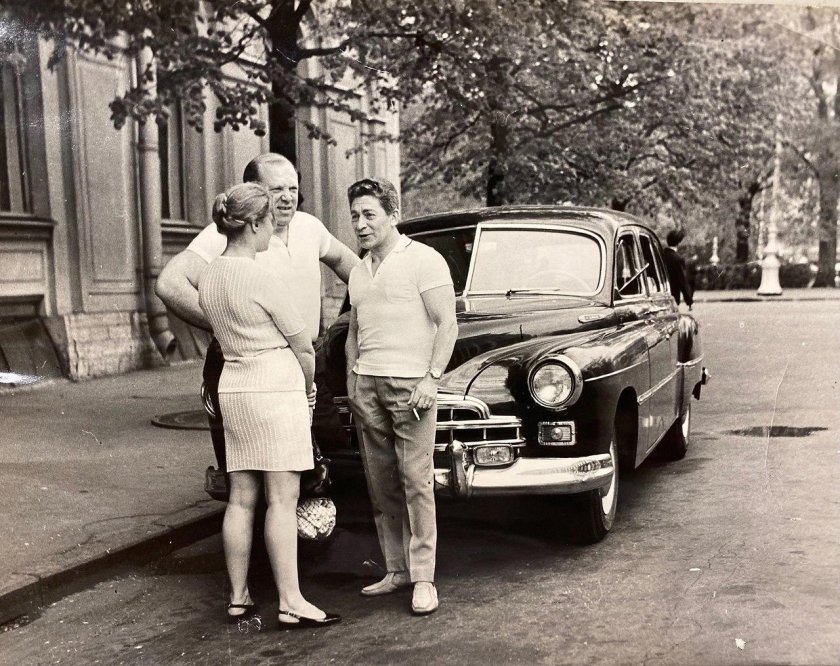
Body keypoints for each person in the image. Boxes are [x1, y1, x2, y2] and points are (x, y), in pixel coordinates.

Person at [156, 153, 359, 472]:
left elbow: (350, 265)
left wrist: (382, 300)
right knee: (250, 467)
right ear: (253, 191)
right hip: (248, 363)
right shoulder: (229, 233)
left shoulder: (309, 226)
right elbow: (170, 283)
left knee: (331, 460)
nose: (288, 197)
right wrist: (225, 323)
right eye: (277, 189)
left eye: (293, 189)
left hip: (306, 359)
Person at [197, 182, 339, 628]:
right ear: (255, 225)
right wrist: (308, 390)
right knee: (282, 499)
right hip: (275, 387)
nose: (273, 232)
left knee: (240, 499)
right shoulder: (261, 277)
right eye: (270, 224)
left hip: (234, 386)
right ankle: (291, 600)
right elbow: (304, 345)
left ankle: (238, 598)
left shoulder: (210, 275)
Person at [344, 178, 458, 616]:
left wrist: (431, 379)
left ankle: (424, 578)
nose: (360, 224)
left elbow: (447, 324)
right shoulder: (359, 270)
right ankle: (396, 569)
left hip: (411, 386)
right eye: (355, 216)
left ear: (393, 215)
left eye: (369, 214)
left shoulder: (424, 260)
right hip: (368, 385)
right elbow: (355, 332)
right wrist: (354, 381)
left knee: (416, 481)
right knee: (381, 482)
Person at [662, 229, 694, 309]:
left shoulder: (660, 255)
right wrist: (689, 300)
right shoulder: (677, 259)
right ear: (678, 243)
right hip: (673, 296)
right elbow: (682, 280)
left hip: (660, 294)